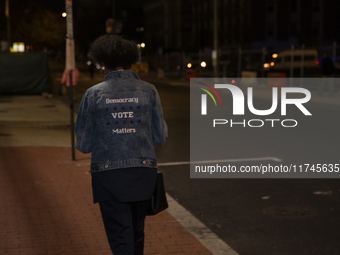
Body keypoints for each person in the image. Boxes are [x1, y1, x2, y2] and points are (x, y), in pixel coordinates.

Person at [75, 35, 168, 255]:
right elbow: (160, 138)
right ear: (131, 62)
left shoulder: (93, 94)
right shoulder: (149, 91)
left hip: (109, 179)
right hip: (142, 175)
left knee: (120, 239)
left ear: (102, 64)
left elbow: (84, 144)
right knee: (137, 235)